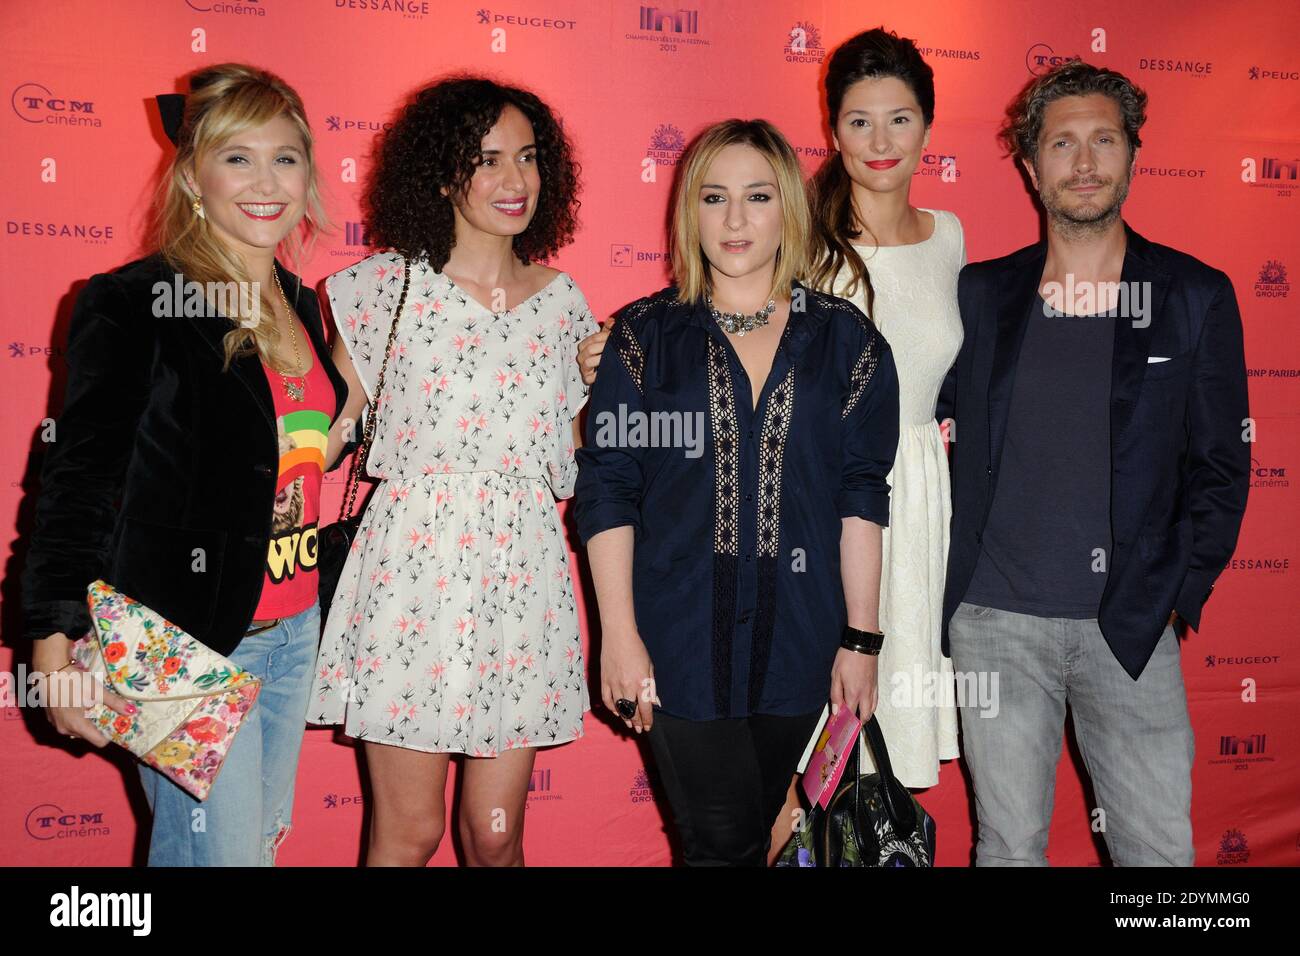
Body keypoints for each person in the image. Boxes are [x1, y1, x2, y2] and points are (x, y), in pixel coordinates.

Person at [21, 63, 346, 866]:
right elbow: (79, 475)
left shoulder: (302, 307)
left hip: (294, 626)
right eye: (238, 157)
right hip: (182, 636)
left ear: (309, 173)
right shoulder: (136, 301)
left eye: (286, 157)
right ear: (194, 176)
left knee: (255, 851)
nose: (266, 181)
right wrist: (53, 638)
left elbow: (298, 454)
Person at [939, 61, 1250, 865]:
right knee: (1008, 847)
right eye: (1063, 143)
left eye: (1104, 140)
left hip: (1132, 625)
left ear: (1133, 155)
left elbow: (1223, 461)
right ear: (1031, 166)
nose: (1084, 162)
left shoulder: (1192, 294)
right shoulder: (982, 293)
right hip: (996, 624)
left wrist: (1181, 590)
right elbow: (899, 398)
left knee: (1157, 854)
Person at [574, 118, 900, 866]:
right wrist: (619, 636)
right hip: (678, 644)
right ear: (689, 210)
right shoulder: (644, 340)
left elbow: (861, 497)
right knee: (717, 844)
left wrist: (861, 639)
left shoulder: (848, 344)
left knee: (759, 833)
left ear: (788, 206)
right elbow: (609, 490)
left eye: (757, 197)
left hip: (801, 644)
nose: (735, 219)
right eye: (714, 198)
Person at [309, 77, 597, 867]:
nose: (516, 182)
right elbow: (328, 436)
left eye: (529, 159)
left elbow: (575, 462)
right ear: (442, 174)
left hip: (522, 584)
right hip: (412, 580)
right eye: (489, 160)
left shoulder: (565, 305)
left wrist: (605, 392)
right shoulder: (385, 290)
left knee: (493, 839)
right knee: (409, 836)